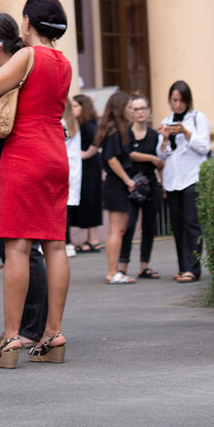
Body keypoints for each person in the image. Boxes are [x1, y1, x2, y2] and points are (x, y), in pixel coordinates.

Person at [0, 0, 72, 367]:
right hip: (55, 152)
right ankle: (54, 333)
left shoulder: (27, 55)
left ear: (28, 23)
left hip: (25, 152)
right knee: (55, 245)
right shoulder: (63, 62)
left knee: (16, 246)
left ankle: (12, 338)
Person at [0, 12, 49, 350]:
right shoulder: (12, 68)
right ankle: (21, 324)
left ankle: (32, 327)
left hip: (17, 160)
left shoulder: (16, 68)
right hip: (4, 160)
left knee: (24, 246)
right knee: (16, 248)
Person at [157, 80, 210, 283]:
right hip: (172, 179)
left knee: (191, 223)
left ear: (188, 100)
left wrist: (185, 132)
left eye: (181, 100)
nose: (177, 105)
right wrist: (164, 138)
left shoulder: (197, 118)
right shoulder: (167, 120)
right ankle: (183, 267)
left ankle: (193, 268)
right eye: (174, 100)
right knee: (177, 225)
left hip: (192, 177)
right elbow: (161, 157)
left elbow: (204, 146)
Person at [118, 93, 163, 279]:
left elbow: (163, 160)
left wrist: (163, 185)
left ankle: (144, 266)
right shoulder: (126, 133)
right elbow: (129, 155)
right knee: (128, 226)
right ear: (131, 112)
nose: (140, 112)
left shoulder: (154, 135)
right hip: (131, 183)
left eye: (143, 108)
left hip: (151, 183)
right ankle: (122, 266)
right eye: (136, 109)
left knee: (149, 226)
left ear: (149, 111)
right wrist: (152, 158)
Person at [96, 91, 137, 284]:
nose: (132, 111)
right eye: (129, 108)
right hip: (116, 184)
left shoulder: (115, 130)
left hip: (116, 183)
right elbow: (111, 158)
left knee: (118, 230)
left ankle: (115, 271)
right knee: (116, 230)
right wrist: (127, 180)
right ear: (120, 109)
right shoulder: (114, 131)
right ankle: (113, 272)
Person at [71, 94, 103, 252]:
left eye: (76, 106)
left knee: (90, 201)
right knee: (87, 202)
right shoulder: (82, 123)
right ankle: (92, 239)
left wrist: (86, 154)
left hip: (89, 169)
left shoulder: (88, 124)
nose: (72, 109)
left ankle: (94, 239)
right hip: (87, 168)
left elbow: (97, 140)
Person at [63, 98, 82, 258]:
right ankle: (68, 242)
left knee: (59, 208)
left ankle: (65, 241)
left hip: (62, 167)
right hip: (73, 169)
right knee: (66, 207)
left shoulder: (60, 123)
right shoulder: (73, 124)